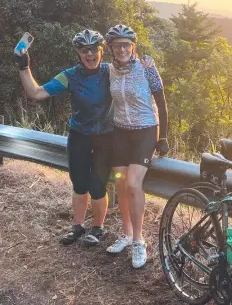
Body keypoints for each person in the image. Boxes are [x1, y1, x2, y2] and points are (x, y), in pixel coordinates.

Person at [15, 29, 155, 247]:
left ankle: (97, 228)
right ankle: (78, 226)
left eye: (94, 49)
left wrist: (146, 62)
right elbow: (37, 93)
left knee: (97, 186)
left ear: (101, 50)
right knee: (79, 184)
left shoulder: (111, 71)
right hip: (79, 136)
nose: (90, 55)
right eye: (84, 50)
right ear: (78, 53)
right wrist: (24, 66)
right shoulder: (70, 75)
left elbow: (131, 66)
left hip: (105, 138)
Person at [104, 24, 168, 268]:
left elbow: (162, 104)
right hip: (121, 133)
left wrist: (163, 138)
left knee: (132, 183)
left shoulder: (147, 68)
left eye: (126, 45)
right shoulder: (109, 70)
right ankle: (127, 234)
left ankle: (139, 240)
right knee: (120, 182)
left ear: (133, 47)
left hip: (145, 132)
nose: (121, 49)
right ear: (110, 48)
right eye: (116, 45)